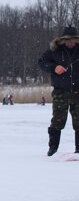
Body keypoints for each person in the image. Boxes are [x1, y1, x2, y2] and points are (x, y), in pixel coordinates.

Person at [38, 26, 79, 156]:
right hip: (60, 92)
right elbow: (41, 62)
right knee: (57, 120)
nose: (70, 43)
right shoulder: (54, 51)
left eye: (73, 40)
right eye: (67, 40)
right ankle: (53, 148)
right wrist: (54, 67)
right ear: (62, 40)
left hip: (78, 91)